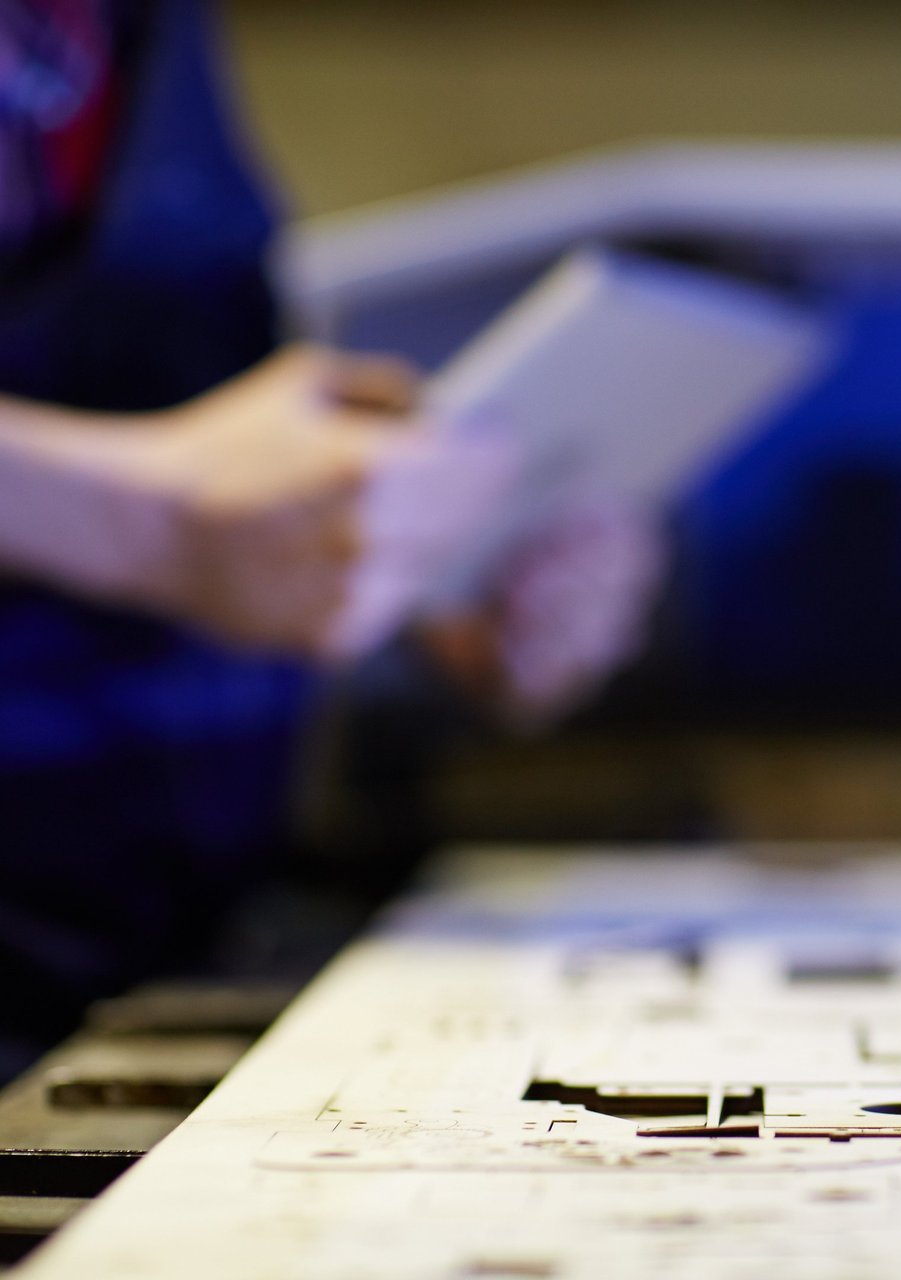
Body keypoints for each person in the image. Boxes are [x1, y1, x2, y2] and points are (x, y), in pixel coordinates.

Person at [0, 0, 655, 1074]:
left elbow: (177, 426)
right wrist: (142, 514)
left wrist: (422, 570)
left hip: (158, 934)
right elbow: (166, 496)